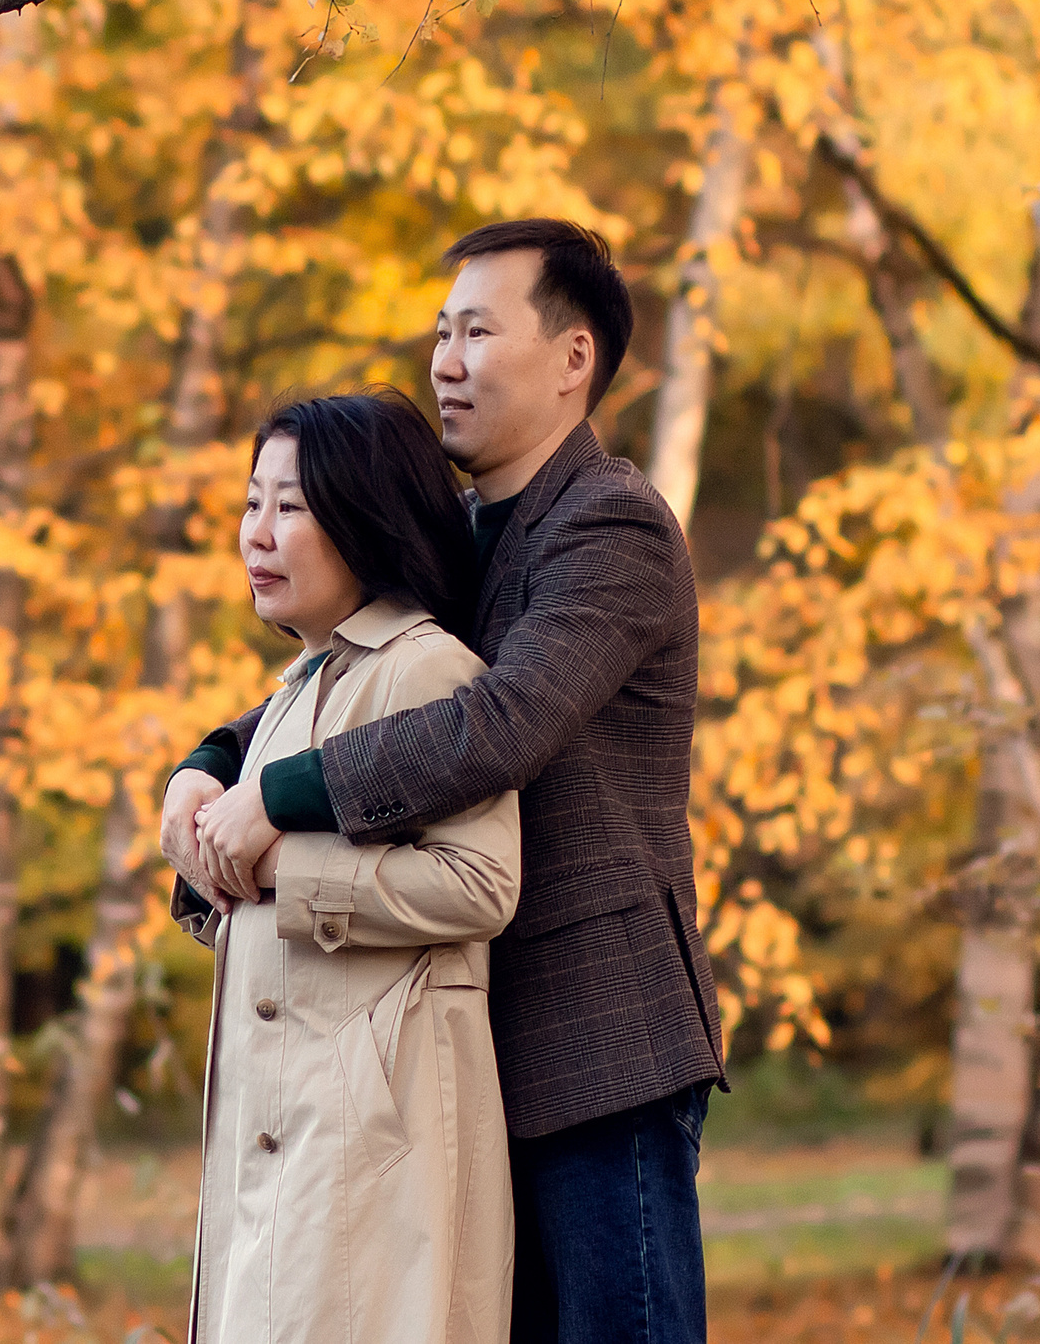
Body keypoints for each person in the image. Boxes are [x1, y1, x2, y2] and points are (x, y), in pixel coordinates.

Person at [160, 220, 723, 1344]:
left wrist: (278, 800)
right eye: (439, 333)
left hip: (595, 1038)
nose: (446, 361)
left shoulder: (608, 524)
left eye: (477, 330)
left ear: (572, 358)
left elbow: (500, 723)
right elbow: (345, 663)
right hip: (454, 1045)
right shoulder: (466, 534)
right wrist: (210, 764)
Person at [169, 388, 518, 1344]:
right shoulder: (297, 687)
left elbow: (483, 884)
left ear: (364, 518)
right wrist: (202, 836)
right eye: (252, 503)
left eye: (292, 506)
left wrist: (286, 867)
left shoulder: (427, 669)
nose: (258, 533)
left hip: (375, 1152)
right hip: (275, 1145)